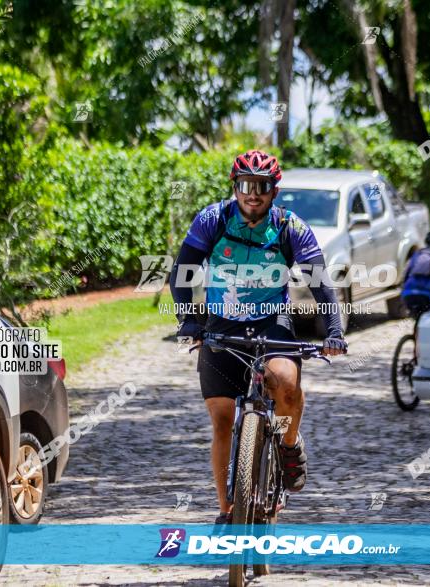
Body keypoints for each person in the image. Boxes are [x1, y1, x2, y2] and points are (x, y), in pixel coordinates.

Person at [168, 149, 348, 526]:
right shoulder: (212, 219)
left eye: (262, 186)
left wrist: (333, 330)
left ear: (274, 191)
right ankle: (225, 511)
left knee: (284, 384)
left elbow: (321, 284)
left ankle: (287, 443)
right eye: (247, 185)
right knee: (220, 419)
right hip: (221, 324)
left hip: (272, 322)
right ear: (235, 186)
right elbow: (182, 272)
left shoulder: (289, 227)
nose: (254, 194)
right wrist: (188, 319)